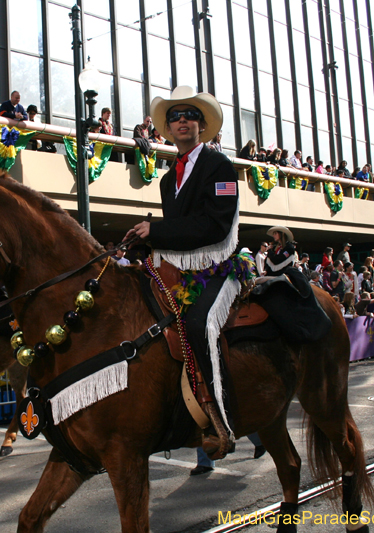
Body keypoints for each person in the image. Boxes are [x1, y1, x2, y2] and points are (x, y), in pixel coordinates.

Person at [124, 85, 241, 455]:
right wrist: (145, 243)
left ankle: (220, 420)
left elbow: (215, 226)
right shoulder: (165, 179)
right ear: (167, 128)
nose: (183, 121)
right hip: (181, 271)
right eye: (175, 116)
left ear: (202, 126)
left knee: (199, 323)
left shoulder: (219, 166)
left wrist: (157, 231)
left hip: (218, 268)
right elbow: (178, 233)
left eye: (191, 115)